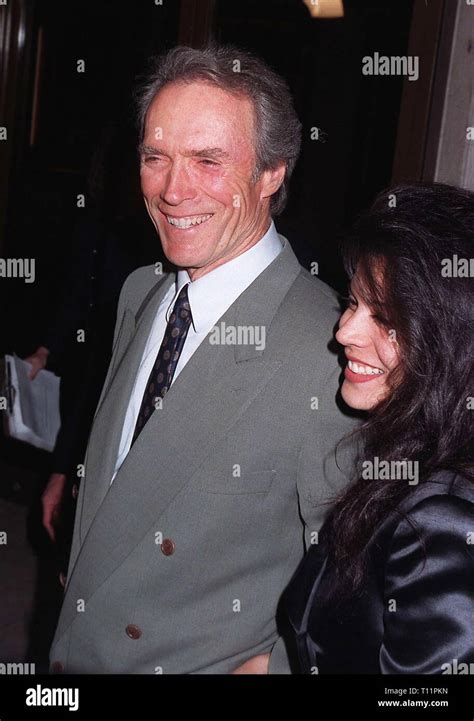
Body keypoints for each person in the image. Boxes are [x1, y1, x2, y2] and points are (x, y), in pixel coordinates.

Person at [49, 45, 356, 674]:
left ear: (273, 172)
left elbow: (354, 583)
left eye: (207, 161)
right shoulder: (143, 292)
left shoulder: (332, 346)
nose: (171, 190)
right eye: (155, 158)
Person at [283, 182, 474, 674]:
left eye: (384, 319)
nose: (344, 332)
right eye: (353, 303)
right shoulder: (403, 461)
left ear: (449, 340)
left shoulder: (444, 521)